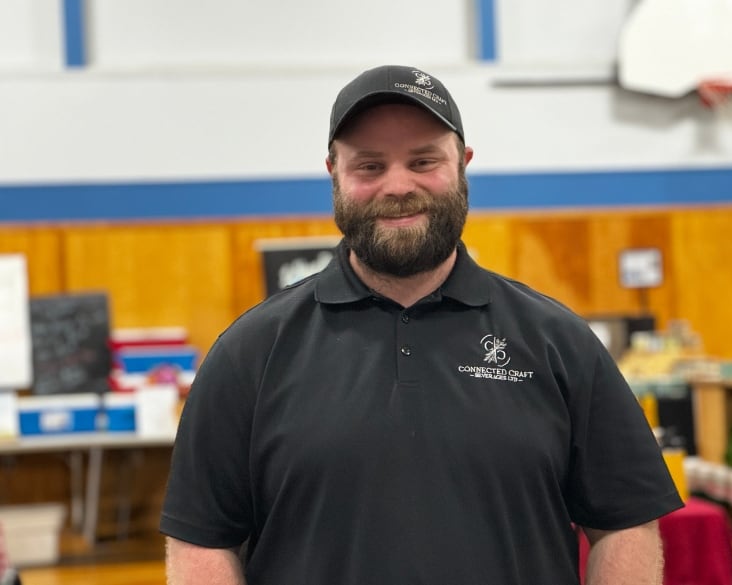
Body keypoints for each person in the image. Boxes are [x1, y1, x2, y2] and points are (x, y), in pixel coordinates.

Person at [161, 64, 684, 585]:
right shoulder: (249, 353)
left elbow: (624, 526)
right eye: (369, 166)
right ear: (333, 174)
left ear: (463, 165)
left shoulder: (559, 343)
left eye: (423, 160)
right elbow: (203, 543)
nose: (397, 185)